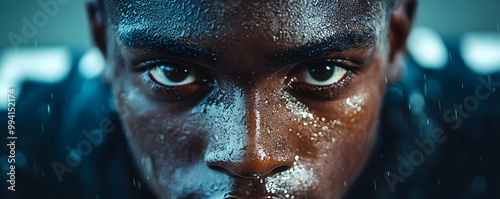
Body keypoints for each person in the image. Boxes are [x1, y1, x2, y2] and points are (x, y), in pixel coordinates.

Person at [87, 0, 416, 198]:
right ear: (104, 44)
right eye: (174, 72)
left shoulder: (465, 158)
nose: (249, 157)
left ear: (395, 40)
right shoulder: (38, 171)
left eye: (322, 71)